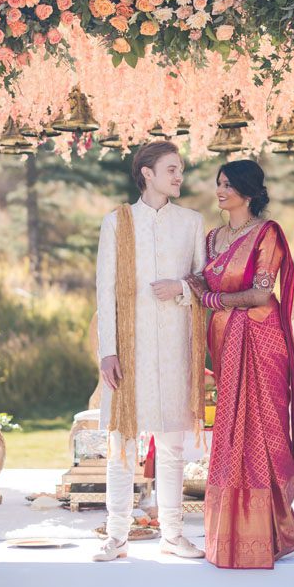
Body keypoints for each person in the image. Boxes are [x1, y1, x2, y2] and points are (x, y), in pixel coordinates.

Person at [187, 159, 294, 569]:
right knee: (230, 430)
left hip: (262, 341)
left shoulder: (267, 234)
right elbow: (201, 280)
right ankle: (228, 533)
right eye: (219, 184)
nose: (220, 191)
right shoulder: (212, 238)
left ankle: (270, 529)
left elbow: (261, 295)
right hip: (225, 339)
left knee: (264, 429)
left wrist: (209, 299)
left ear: (248, 191)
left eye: (228, 184)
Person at [92, 141, 208, 562]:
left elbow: (204, 283)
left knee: (173, 446)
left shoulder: (192, 223)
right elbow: (105, 292)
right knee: (122, 443)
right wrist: (109, 350)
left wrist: (180, 289)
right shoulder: (117, 223)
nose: (179, 177)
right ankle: (117, 535)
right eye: (172, 169)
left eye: (180, 170)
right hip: (130, 351)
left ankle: (173, 534)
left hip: (176, 347)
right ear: (147, 173)